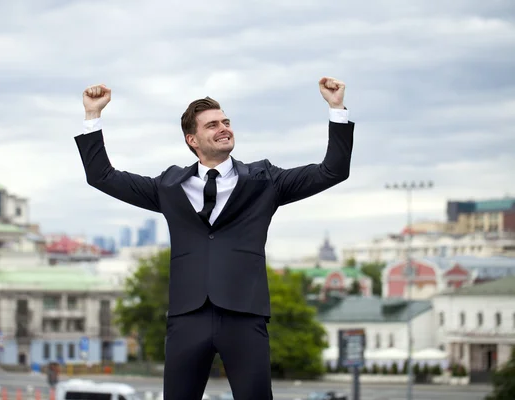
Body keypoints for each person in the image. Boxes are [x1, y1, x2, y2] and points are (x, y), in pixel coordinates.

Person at [74, 77, 354, 400]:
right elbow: (102, 176)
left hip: (244, 316)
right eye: (212, 125)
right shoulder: (168, 186)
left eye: (226, 122)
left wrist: (336, 108)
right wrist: (93, 115)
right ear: (192, 139)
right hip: (187, 318)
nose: (223, 128)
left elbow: (333, 170)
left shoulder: (266, 181)